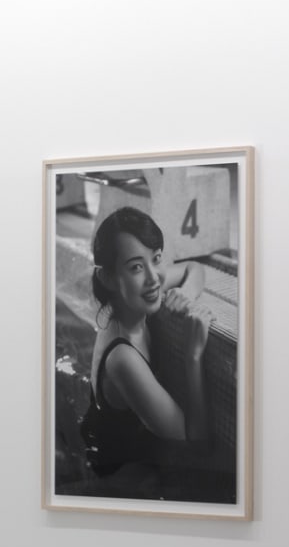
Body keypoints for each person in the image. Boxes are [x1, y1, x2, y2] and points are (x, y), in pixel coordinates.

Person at [78, 206, 214, 484]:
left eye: (157, 259)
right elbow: (196, 445)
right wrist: (194, 357)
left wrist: (184, 296)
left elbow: (194, 268)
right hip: (116, 472)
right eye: (137, 267)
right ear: (109, 278)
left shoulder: (133, 300)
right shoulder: (122, 359)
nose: (155, 278)